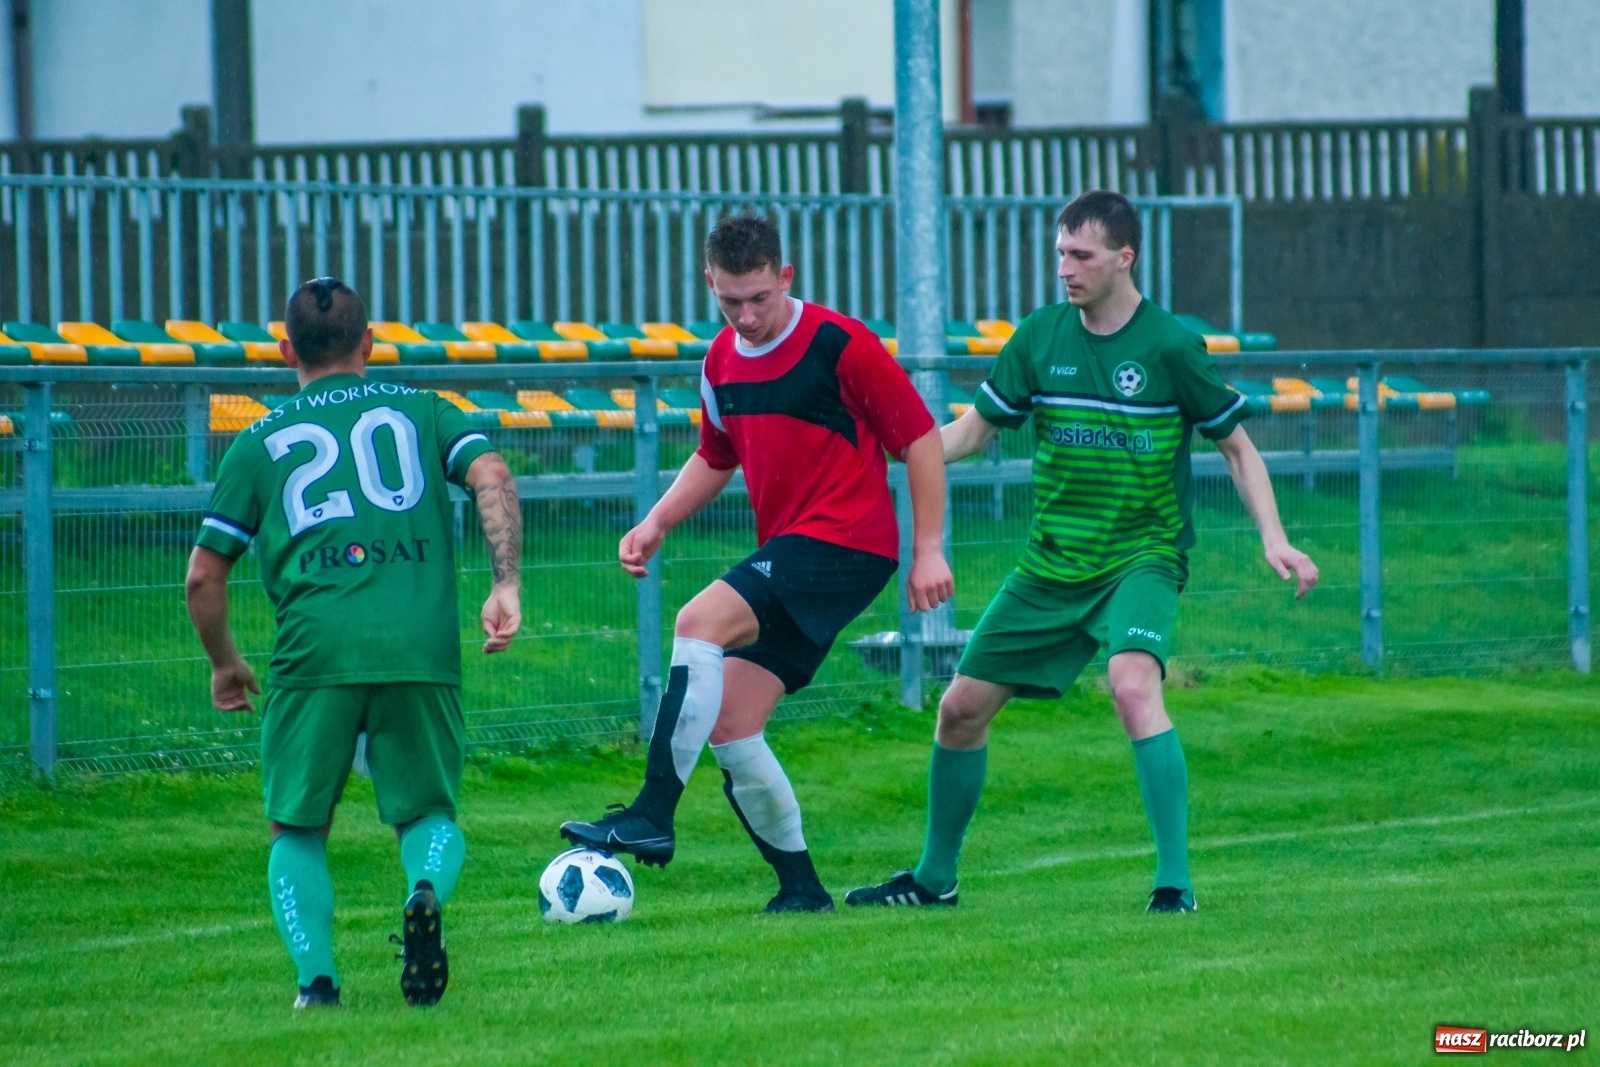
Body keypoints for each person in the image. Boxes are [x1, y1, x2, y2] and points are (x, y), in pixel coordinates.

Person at [846, 191, 1319, 914]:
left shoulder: (1170, 346)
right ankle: (934, 881)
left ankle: (1174, 886)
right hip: (1049, 565)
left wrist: (1274, 537)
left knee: (1131, 686)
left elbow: (1237, 447)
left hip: (1141, 557)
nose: (1065, 268)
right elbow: (970, 433)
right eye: (1060, 253)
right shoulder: (1040, 337)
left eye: (1081, 255)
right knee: (960, 710)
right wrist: (889, 450)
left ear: (1124, 258)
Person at [560, 215, 953, 913]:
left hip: (848, 541)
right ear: (710, 283)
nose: (745, 316)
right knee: (732, 723)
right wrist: (656, 521)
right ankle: (801, 889)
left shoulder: (840, 343)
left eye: (759, 298)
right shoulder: (720, 359)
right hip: (795, 549)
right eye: (730, 301)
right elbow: (716, 456)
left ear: (786, 277)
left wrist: (928, 549)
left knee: (698, 621)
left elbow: (920, 438)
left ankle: (652, 813)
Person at [185, 278, 522, 1008]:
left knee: (296, 825)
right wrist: (506, 584)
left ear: (287, 351)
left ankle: (317, 983)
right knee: (428, 813)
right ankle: (424, 887)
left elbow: (203, 576)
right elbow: (491, 473)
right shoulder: (425, 410)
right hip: (419, 642)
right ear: (369, 343)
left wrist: (226, 662)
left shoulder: (258, 441)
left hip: (314, 649)